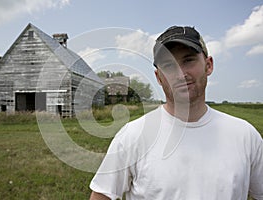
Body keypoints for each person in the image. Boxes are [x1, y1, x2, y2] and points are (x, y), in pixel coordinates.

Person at [89, 26, 263, 200]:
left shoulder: (245, 135)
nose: (180, 74)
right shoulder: (133, 135)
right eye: (168, 65)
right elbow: (101, 196)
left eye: (188, 60)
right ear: (158, 77)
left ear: (208, 65)